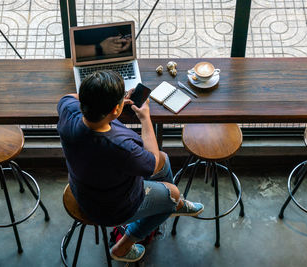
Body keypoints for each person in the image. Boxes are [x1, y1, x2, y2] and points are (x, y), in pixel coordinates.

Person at [57, 70, 204, 263]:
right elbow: (154, 161)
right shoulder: (120, 148)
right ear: (115, 111)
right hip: (111, 207)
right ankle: (123, 246)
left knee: (166, 160)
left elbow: (68, 97)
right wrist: (145, 118)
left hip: (84, 187)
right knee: (170, 187)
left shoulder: (69, 111)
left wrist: (110, 103)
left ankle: (169, 202)